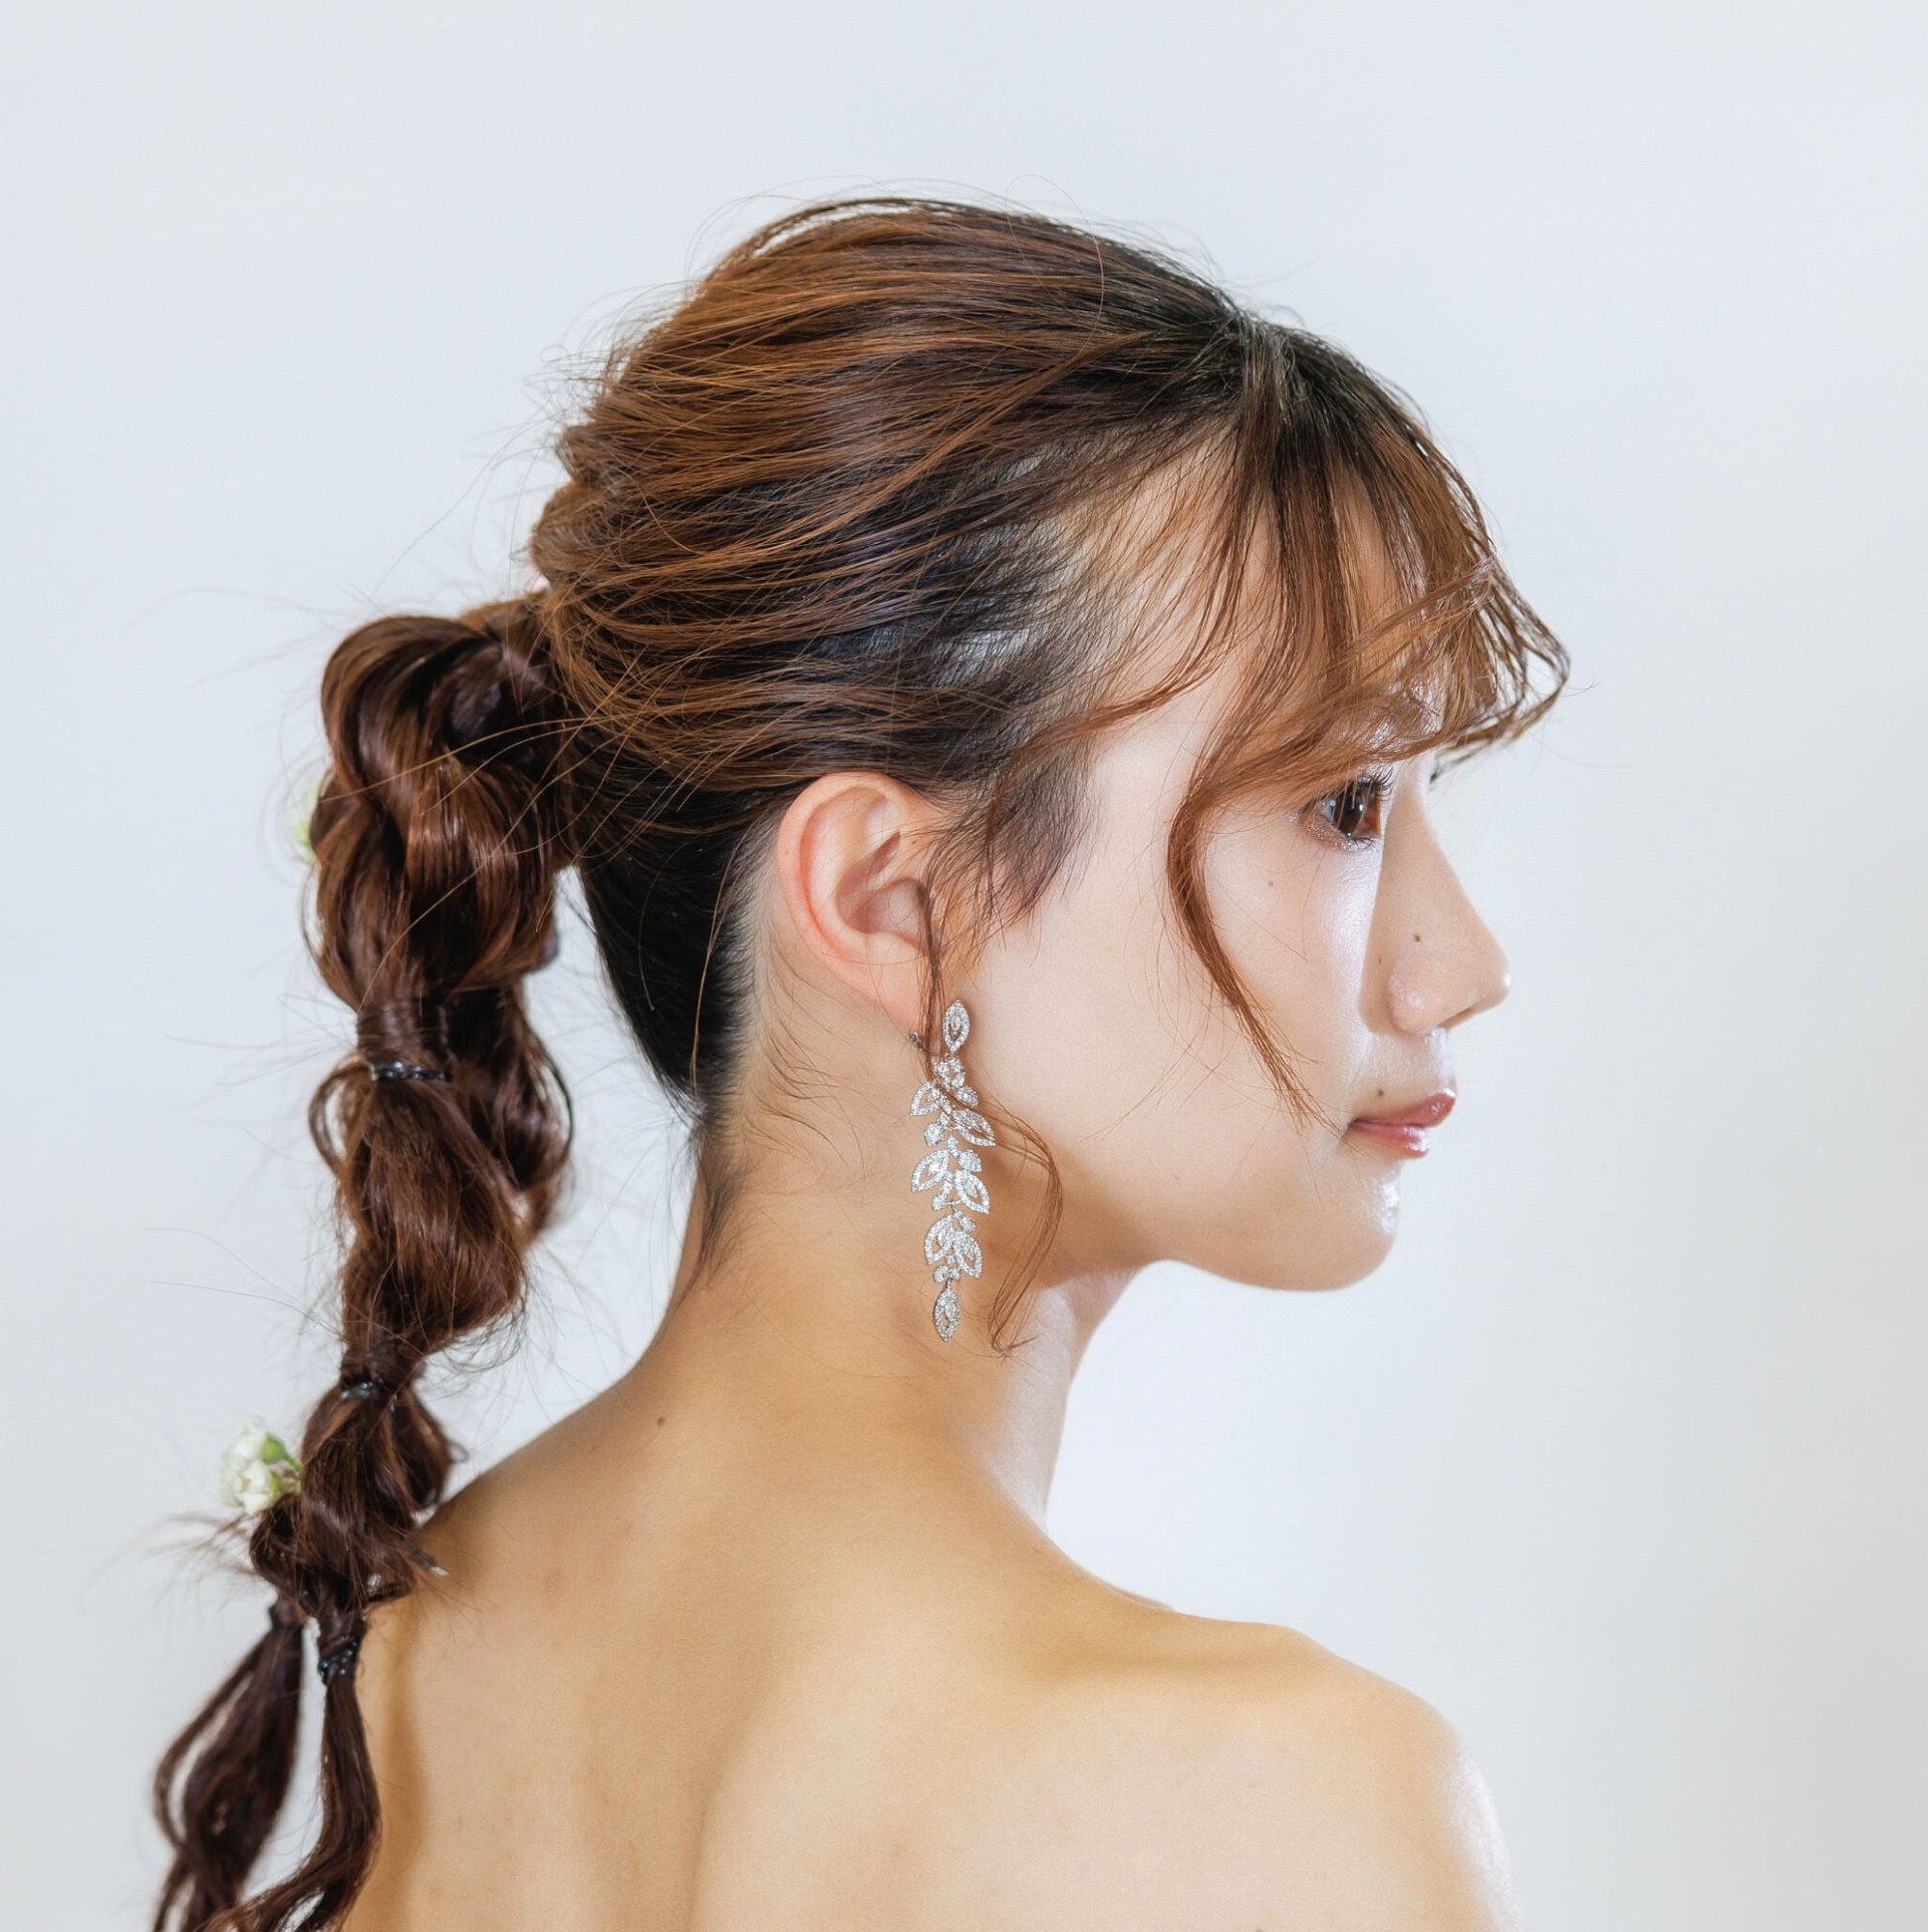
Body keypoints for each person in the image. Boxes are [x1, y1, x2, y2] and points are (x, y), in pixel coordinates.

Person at [151, 195, 1567, 1931]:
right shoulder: (1266, 1807)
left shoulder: (400, 1652)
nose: (1461, 964)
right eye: (1345, 802)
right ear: (896, 901)